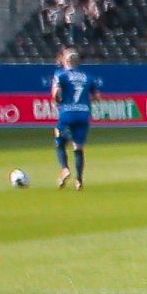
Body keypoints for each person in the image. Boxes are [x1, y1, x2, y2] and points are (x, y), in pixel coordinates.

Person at [48, 48, 97, 189]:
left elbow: (56, 93)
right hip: (83, 114)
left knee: (59, 138)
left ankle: (64, 168)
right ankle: (79, 180)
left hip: (67, 113)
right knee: (78, 147)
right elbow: (96, 96)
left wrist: (57, 101)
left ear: (65, 60)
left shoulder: (61, 74)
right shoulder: (87, 76)